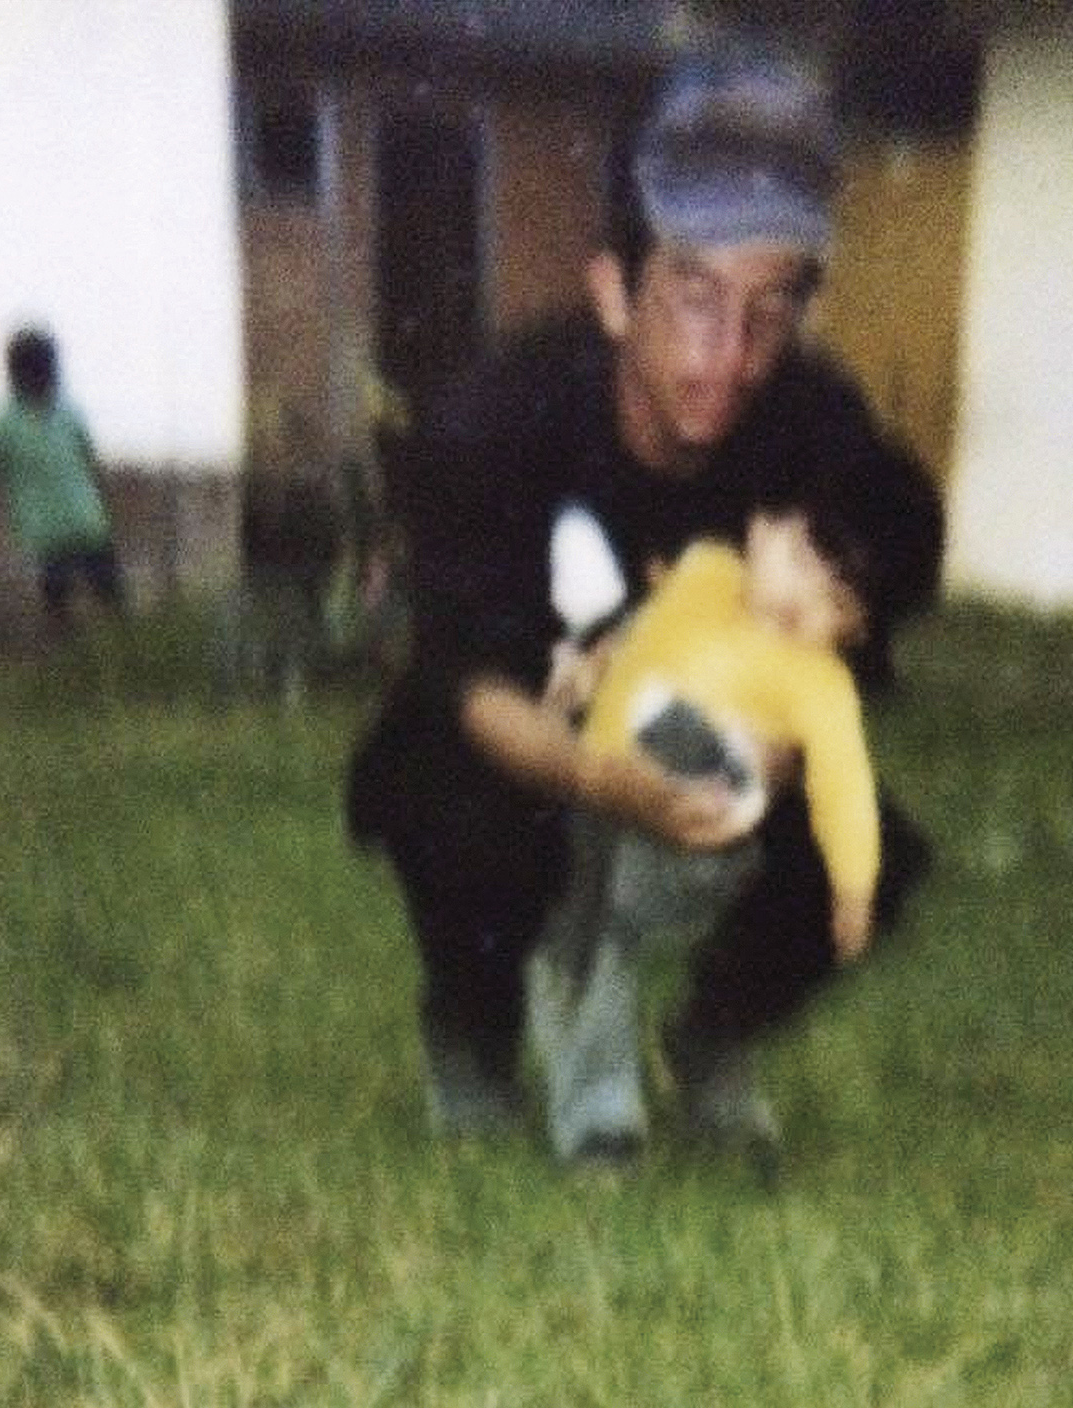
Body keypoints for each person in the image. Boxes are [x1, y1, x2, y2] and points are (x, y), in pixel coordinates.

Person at [346, 51, 942, 1163]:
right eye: (692, 296)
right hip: (529, 728)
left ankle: (711, 1037)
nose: (726, 357)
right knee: (449, 799)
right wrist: (595, 780)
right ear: (616, 290)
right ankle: (471, 1033)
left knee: (870, 855)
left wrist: (767, 749)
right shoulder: (493, 416)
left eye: (768, 312)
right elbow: (462, 679)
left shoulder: (815, 423)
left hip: (703, 729)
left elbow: (889, 557)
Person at [529, 504, 882, 1164]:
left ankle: (688, 745)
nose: (802, 600)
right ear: (758, 531)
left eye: (833, 603)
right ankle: (600, 1121)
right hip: (603, 806)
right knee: (584, 945)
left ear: (854, 631)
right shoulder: (706, 576)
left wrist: (853, 888)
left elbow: (845, 786)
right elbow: (643, 637)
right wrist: (588, 668)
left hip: (698, 840)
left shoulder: (818, 683)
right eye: (801, 563)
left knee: (615, 918)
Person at [0, 327, 126, 633]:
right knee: (58, 607)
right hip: (46, 530)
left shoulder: (70, 412)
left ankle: (121, 660)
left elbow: (89, 459)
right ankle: (64, 669)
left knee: (113, 600)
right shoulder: (3, 421)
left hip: (87, 522)